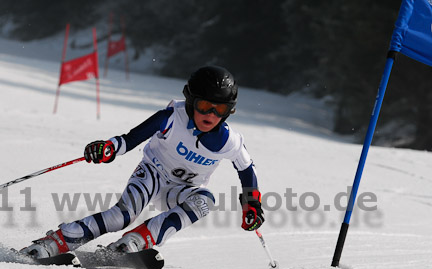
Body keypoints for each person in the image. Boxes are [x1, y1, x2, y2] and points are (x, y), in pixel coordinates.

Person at [21, 65, 264, 259]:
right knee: (121, 217)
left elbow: (246, 169)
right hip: (153, 174)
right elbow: (130, 139)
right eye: (204, 106)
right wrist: (108, 148)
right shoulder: (171, 117)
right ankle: (56, 242)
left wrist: (251, 204)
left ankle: (135, 241)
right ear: (191, 101)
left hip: (181, 190)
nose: (211, 115)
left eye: (219, 108)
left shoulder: (229, 140)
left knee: (205, 201)